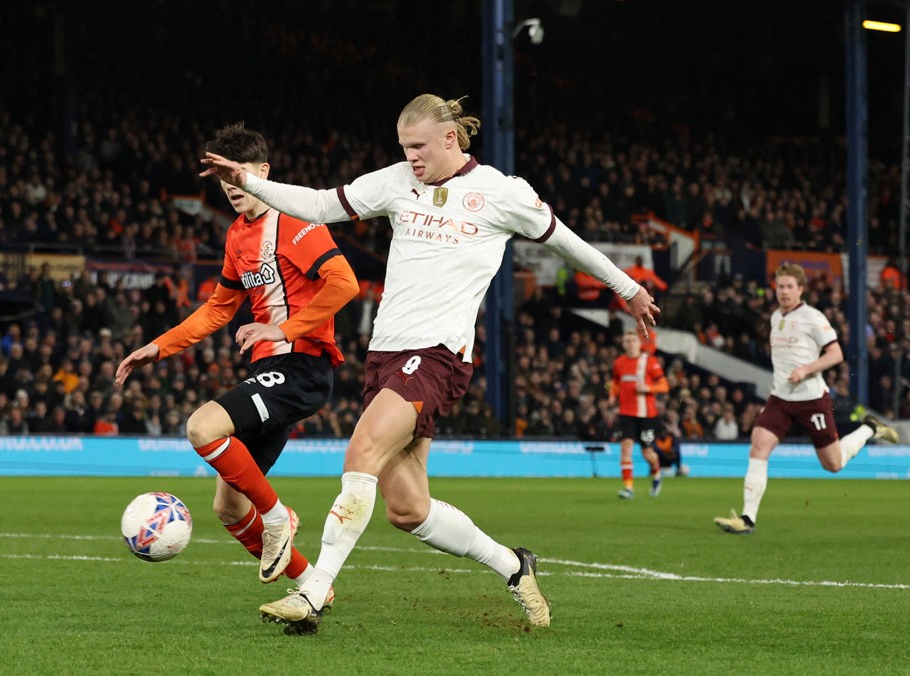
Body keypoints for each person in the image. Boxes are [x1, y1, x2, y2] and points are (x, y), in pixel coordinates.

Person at [201, 94, 659, 634]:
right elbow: (321, 205)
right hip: (385, 354)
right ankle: (514, 566)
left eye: (418, 146)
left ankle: (313, 592)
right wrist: (249, 182)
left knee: (361, 453)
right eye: (404, 147)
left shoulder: (501, 192)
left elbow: (567, 242)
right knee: (407, 508)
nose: (410, 156)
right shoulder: (398, 181)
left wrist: (627, 288)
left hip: (437, 354)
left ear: (450, 138)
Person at [117, 123, 359, 593]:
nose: (230, 186)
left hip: (302, 367)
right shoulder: (236, 236)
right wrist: (158, 347)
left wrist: (283, 329)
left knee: (201, 427)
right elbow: (218, 309)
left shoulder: (296, 221)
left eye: (237, 173)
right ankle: (312, 588)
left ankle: (277, 519)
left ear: (263, 171)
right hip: (270, 370)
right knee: (228, 507)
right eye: (222, 178)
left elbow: (344, 283)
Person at [714, 263, 899, 535]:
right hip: (780, 398)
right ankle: (747, 519)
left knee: (833, 464)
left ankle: (869, 428)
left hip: (811, 399)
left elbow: (836, 354)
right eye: (780, 286)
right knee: (759, 447)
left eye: (789, 286)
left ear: (800, 289)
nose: (784, 291)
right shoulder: (776, 317)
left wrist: (806, 369)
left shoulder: (812, 317)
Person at [609, 329, 670, 499]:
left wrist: (647, 388)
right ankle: (628, 488)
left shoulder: (649, 362)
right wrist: (612, 395)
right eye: (627, 341)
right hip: (626, 413)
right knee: (626, 447)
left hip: (646, 415)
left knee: (648, 453)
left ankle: (657, 473)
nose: (630, 344)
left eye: (633, 340)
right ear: (623, 344)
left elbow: (664, 386)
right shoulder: (619, 362)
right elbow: (615, 382)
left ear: (639, 343)